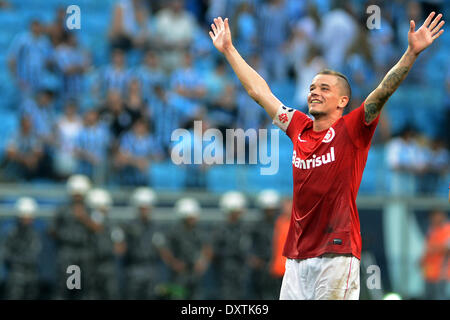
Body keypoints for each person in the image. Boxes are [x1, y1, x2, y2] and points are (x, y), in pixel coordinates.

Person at [208, 12, 445, 300]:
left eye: (324, 88)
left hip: (336, 253)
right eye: (311, 88)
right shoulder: (299, 128)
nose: (314, 92)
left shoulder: (353, 129)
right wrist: (230, 50)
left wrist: (410, 53)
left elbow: (383, 91)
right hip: (296, 258)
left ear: (343, 101)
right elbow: (259, 92)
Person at [49, 174, 97, 299]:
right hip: (68, 252)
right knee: (67, 286)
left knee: (84, 287)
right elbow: (52, 230)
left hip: (85, 252)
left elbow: (98, 229)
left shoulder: (90, 209)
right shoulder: (63, 209)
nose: (78, 197)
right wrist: (64, 236)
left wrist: (84, 218)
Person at [159, 197, 212, 299]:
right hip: (179, 275)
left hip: (195, 274)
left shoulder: (199, 231)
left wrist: (203, 263)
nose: (193, 219)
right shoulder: (174, 231)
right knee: (178, 296)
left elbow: (207, 248)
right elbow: (165, 250)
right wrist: (174, 263)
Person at [121, 187, 166, 299]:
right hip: (134, 268)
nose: (145, 211)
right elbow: (121, 249)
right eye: (142, 208)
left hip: (151, 268)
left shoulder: (156, 227)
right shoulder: (128, 226)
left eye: (147, 208)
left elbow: (162, 251)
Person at [212, 191, 250, 299]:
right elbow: (215, 251)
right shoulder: (220, 229)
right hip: (225, 269)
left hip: (241, 268)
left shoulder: (244, 228)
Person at [2, 197, 42, 299]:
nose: (27, 219)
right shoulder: (11, 232)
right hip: (15, 276)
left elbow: (36, 254)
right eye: (24, 216)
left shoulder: (35, 234)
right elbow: (6, 254)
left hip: (32, 276)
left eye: (29, 216)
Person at [249, 189, 281, 300]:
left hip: (279, 268)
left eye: (272, 210)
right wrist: (254, 258)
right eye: (267, 210)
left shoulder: (282, 225)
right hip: (262, 268)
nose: (270, 213)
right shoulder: (257, 226)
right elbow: (251, 246)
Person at [420, 209, 450, 300]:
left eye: (435, 215)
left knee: (440, 296)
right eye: (432, 216)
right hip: (429, 274)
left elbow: (447, 247)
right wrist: (422, 260)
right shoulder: (432, 231)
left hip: (442, 274)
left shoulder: (448, 229)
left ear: (442, 216)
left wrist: (433, 249)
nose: (433, 218)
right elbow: (427, 250)